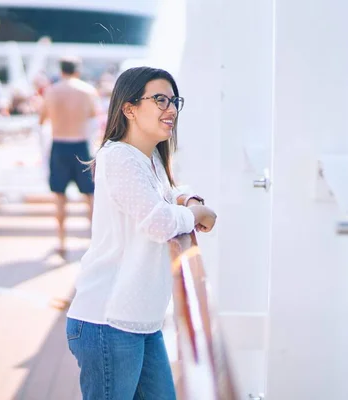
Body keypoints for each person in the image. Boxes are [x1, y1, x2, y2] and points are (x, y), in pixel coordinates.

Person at [65, 66, 217, 399]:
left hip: (139, 320)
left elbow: (164, 194)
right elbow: (159, 221)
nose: (171, 109)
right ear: (129, 107)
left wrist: (186, 198)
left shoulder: (149, 160)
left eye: (174, 100)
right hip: (107, 321)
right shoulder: (118, 157)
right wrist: (195, 213)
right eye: (160, 99)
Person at [39, 58, 100, 252]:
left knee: (59, 196)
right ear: (77, 71)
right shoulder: (87, 91)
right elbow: (93, 115)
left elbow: (42, 119)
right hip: (81, 145)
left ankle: (61, 240)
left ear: (61, 70)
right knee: (90, 196)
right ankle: (95, 241)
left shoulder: (51, 91)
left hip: (59, 145)